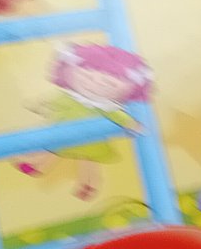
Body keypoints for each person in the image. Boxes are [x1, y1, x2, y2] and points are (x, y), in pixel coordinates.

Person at [15, 43, 151, 201]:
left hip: (88, 141)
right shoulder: (69, 97)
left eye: (108, 83)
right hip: (62, 133)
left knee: (87, 160)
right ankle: (37, 164)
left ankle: (89, 184)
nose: (94, 84)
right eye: (87, 77)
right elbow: (50, 101)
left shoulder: (106, 107)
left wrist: (133, 125)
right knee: (53, 148)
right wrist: (36, 105)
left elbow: (121, 117)